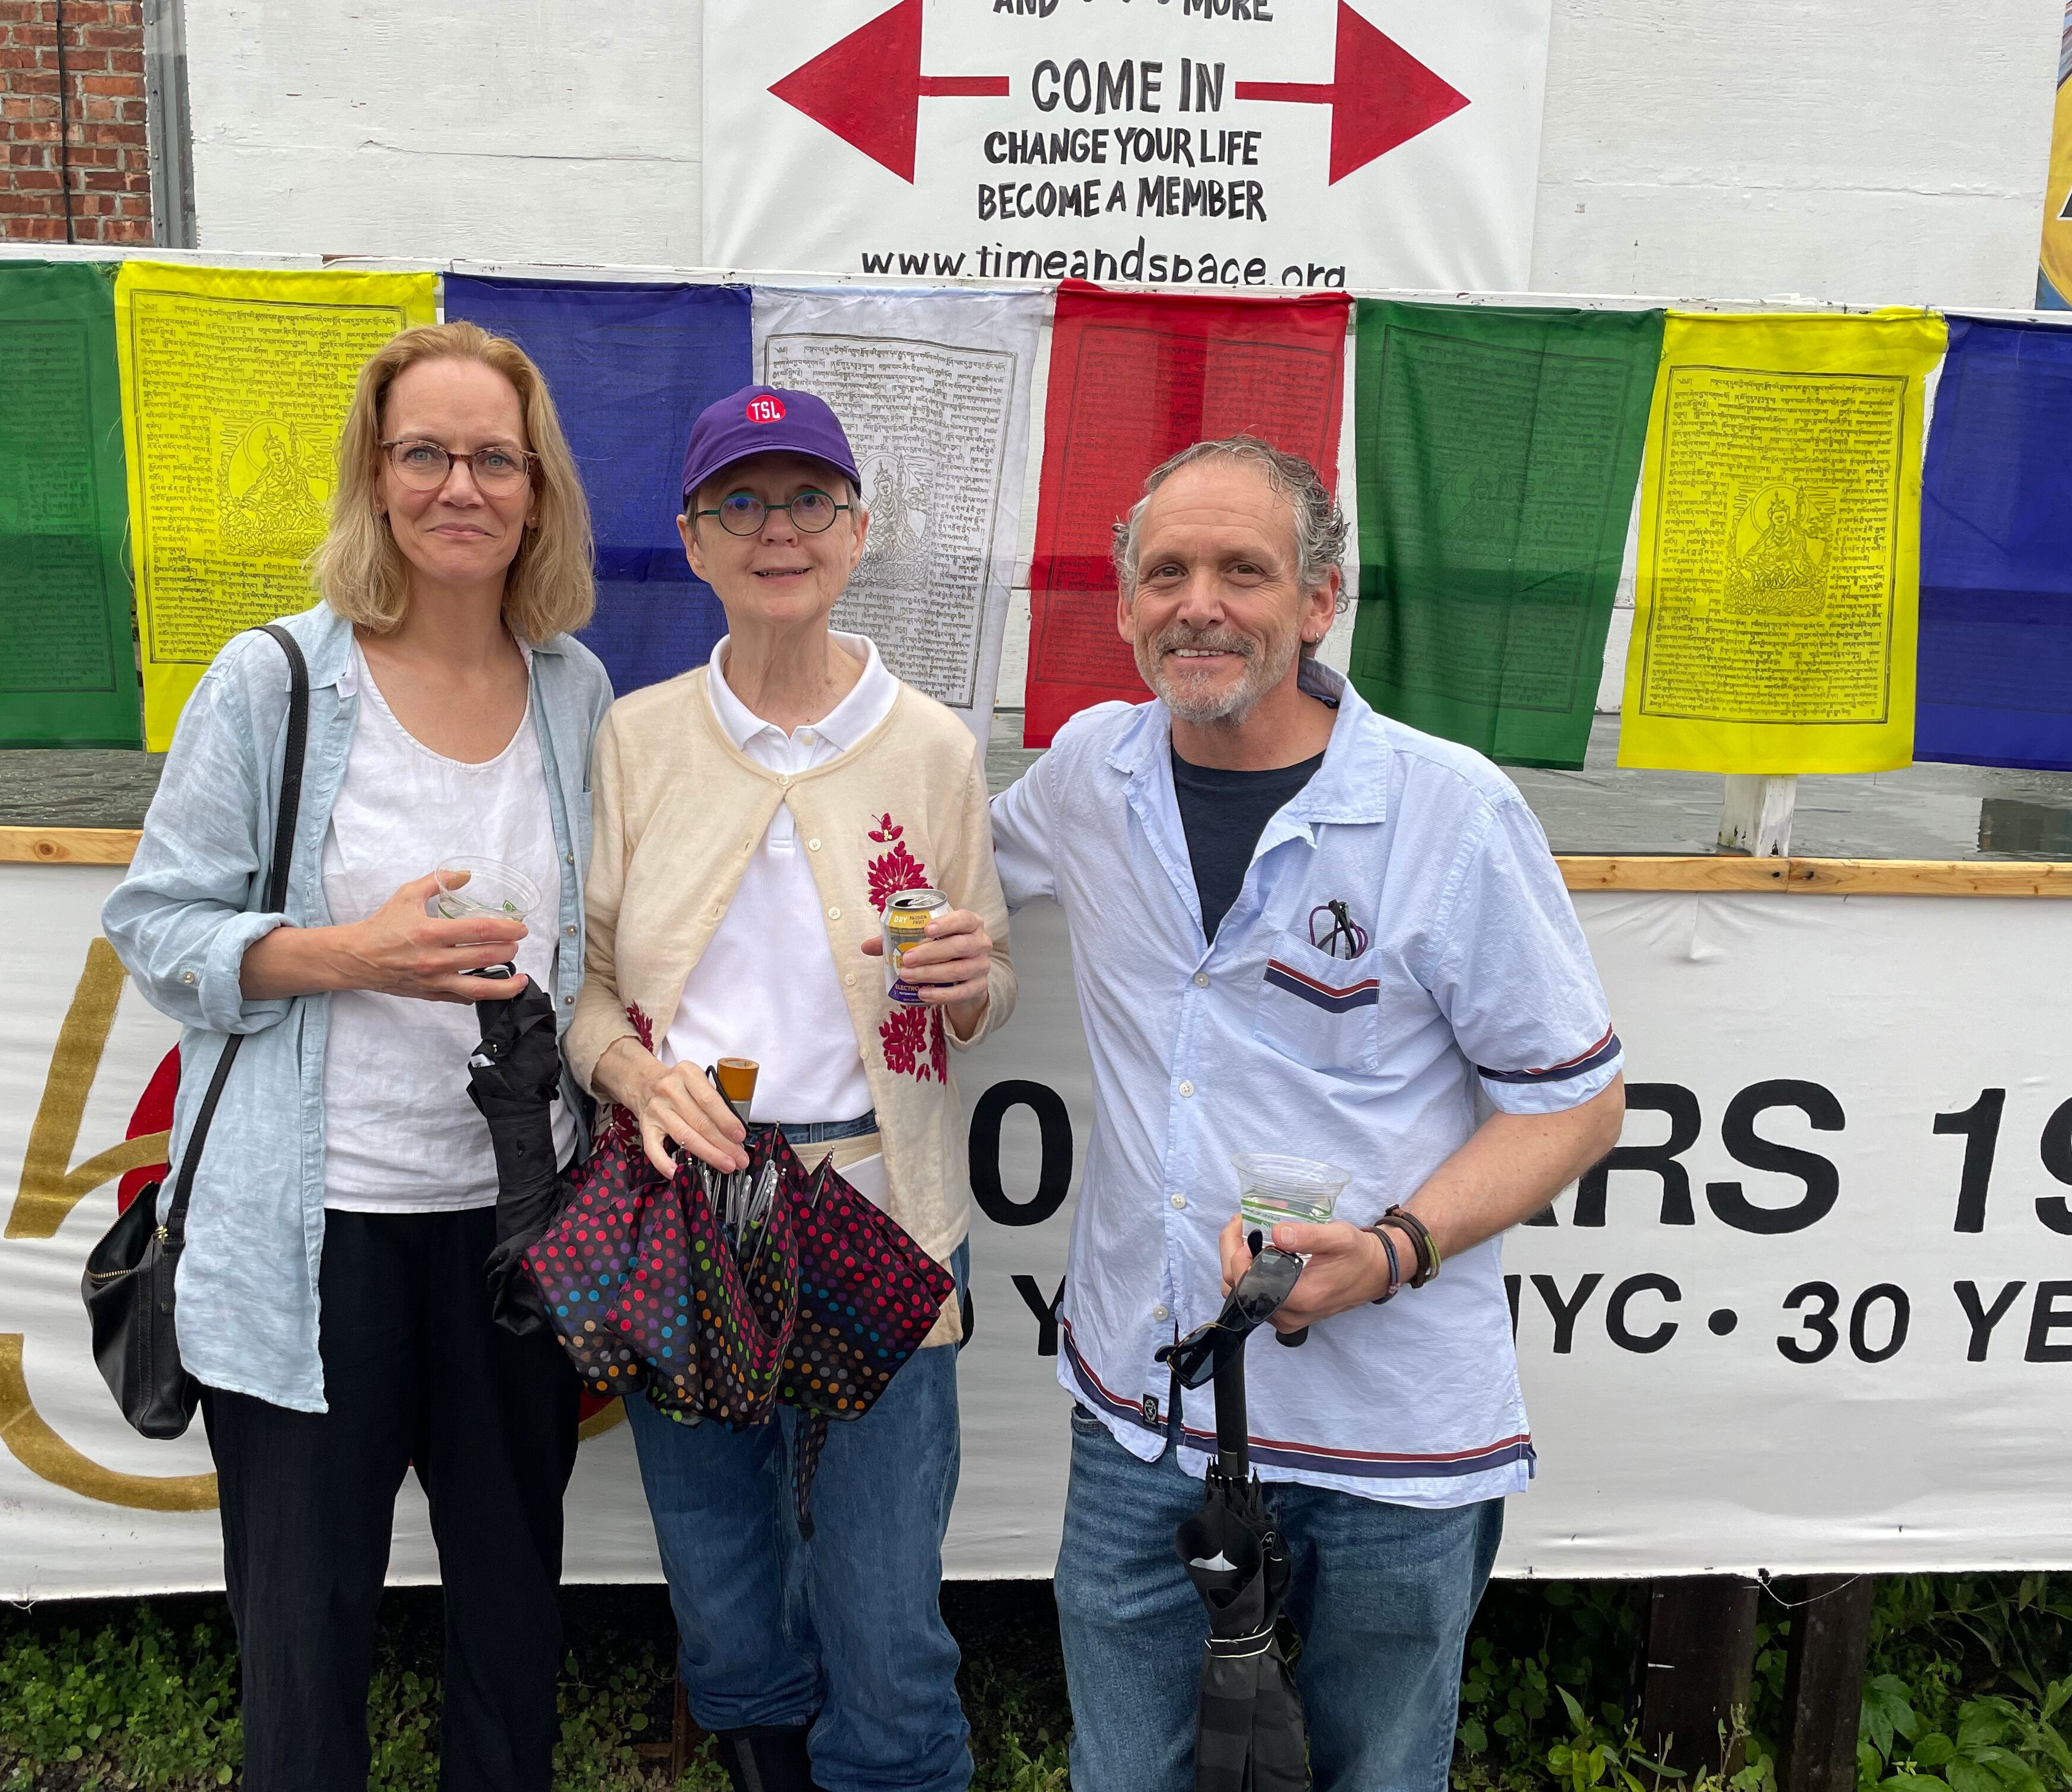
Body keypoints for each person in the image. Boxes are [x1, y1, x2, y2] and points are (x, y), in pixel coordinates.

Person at [989, 436, 1628, 1792]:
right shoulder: (1089, 777)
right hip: (1145, 1414)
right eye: (1166, 572)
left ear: (1320, 600)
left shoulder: (1447, 812)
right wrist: (956, 953)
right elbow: (943, 871)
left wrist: (1393, 1248)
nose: (1199, 604)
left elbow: (1575, 1106)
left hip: (1388, 1439)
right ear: (1124, 607)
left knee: (1376, 1777)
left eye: (1243, 570)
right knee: (1126, 1775)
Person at [102, 321, 612, 1792]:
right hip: (311, 1236)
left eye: (495, 458)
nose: (463, 486)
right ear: (376, 478)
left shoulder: (575, 691)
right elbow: (156, 924)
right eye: (426, 454)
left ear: (538, 489)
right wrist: (353, 956)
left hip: (517, 1236)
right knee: (307, 1622)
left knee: (513, 1612)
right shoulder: (275, 681)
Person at [563, 384, 1016, 1792]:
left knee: (885, 1592)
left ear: (858, 531)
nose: (778, 531)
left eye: (809, 499)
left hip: (878, 1202)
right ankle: (762, 1750)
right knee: (719, 1566)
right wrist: (631, 1070)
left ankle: (889, 1765)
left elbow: (985, 986)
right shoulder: (636, 739)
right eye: (740, 505)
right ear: (692, 543)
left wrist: (969, 983)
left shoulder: (933, 746)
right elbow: (579, 987)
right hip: (685, 1206)